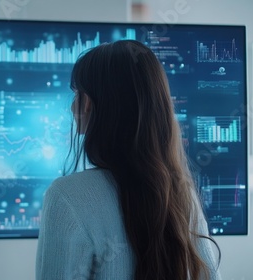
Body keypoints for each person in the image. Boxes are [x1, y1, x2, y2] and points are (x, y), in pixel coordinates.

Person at [36, 40, 221, 280]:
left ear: (91, 103)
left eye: (77, 93)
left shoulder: (67, 196)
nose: (73, 107)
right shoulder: (181, 195)